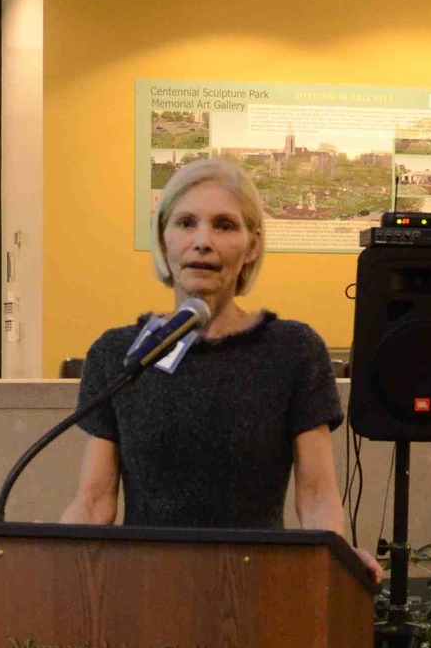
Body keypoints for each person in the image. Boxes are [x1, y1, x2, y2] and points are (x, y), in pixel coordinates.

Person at [62, 156, 372, 568]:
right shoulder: (119, 354)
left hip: (260, 587)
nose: (202, 240)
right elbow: (95, 501)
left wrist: (338, 562)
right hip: (145, 589)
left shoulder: (293, 350)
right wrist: (52, 558)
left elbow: (316, 498)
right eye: (186, 222)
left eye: (224, 225)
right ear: (163, 238)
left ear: (252, 245)